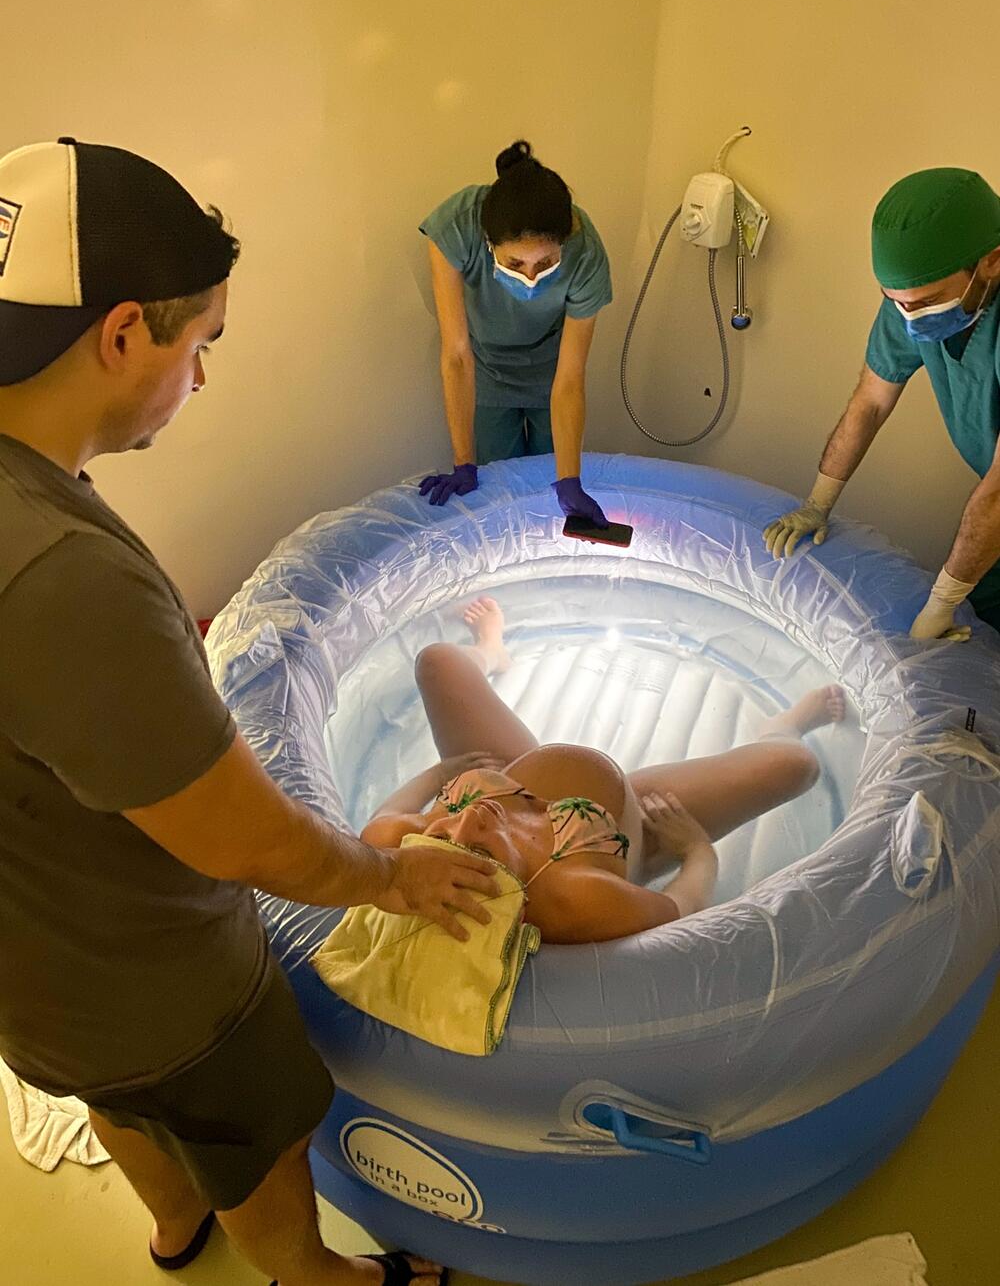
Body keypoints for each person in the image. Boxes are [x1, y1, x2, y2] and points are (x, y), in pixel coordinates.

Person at [0, 138, 501, 1286]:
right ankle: (309, 1274)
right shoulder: (62, 578)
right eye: (202, 343)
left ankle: (175, 1231)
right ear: (124, 334)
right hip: (159, 984)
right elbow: (244, 841)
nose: (203, 379)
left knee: (111, 1100)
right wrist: (390, 875)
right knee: (246, 1117)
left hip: (31, 979)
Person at [361, 599, 846, 941]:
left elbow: (384, 820)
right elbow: (682, 909)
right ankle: (783, 726)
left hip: (514, 769)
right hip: (636, 821)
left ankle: (491, 650)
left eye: (447, 833)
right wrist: (694, 848)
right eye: (480, 848)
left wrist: (439, 774)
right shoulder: (577, 897)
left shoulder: (407, 849)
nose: (474, 815)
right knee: (795, 765)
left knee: (437, 661)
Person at [763, 167, 1000, 642]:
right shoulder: (911, 304)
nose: (909, 318)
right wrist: (817, 504)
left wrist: (942, 603)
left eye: (925, 301)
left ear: (991, 263)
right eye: (896, 302)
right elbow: (870, 401)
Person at [418, 140, 613, 528]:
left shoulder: (587, 253)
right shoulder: (456, 226)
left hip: (551, 367)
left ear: (565, 240)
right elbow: (456, 354)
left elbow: (571, 379)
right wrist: (463, 462)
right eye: (514, 262)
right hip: (485, 366)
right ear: (489, 243)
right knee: (499, 484)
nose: (530, 276)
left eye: (545, 262)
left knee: (550, 477)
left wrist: (570, 478)